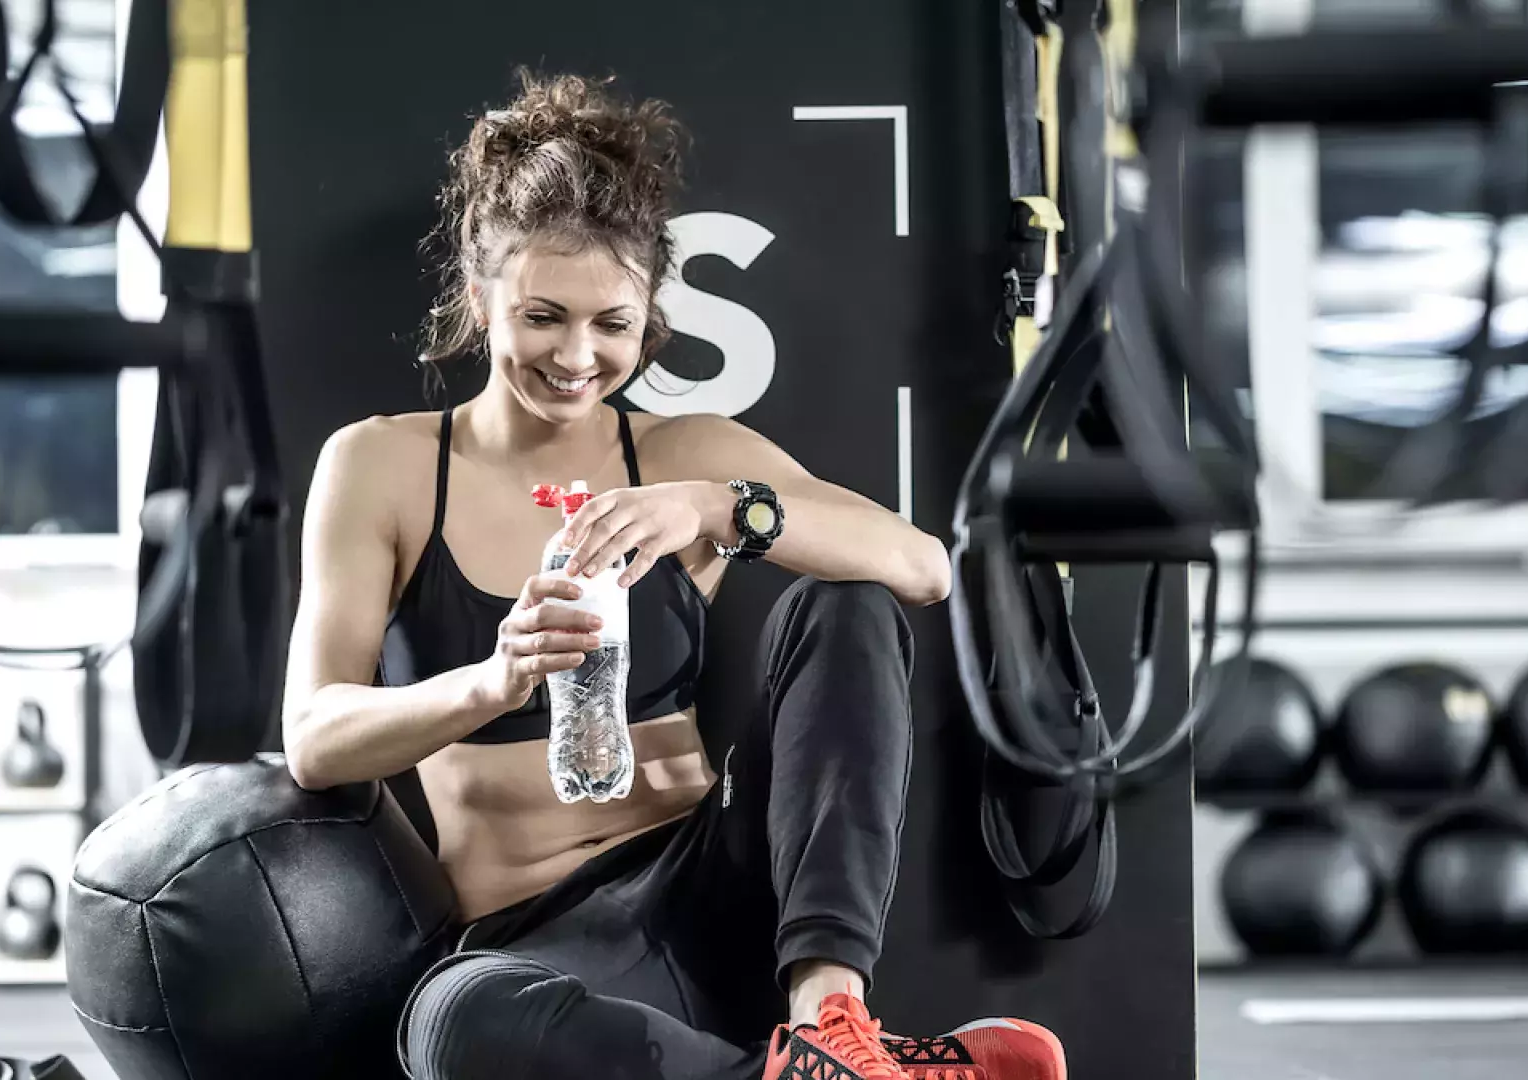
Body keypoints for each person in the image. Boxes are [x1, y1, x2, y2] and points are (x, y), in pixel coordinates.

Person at [279, 70, 1069, 1080]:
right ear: (481, 300)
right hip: (546, 944)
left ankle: (831, 1020)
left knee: (844, 601)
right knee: (449, 1027)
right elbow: (315, 740)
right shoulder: (384, 464)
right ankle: (824, 1078)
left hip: (721, 900)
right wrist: (495, 681)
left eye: (612, 324)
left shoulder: (682, 451)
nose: (577, 355)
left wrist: (716, 508)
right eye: (543, 316)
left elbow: (922, 569)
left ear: (647, 316)